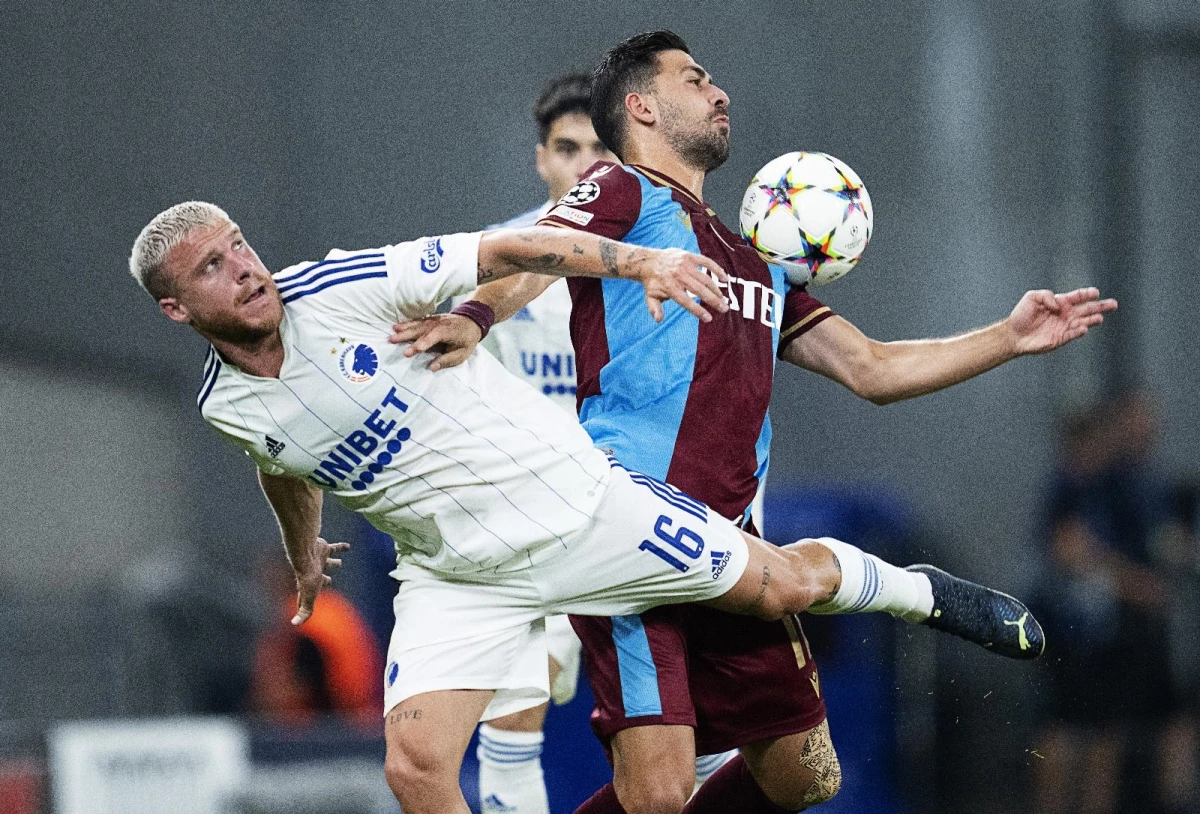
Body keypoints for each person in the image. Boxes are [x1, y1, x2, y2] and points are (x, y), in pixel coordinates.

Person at [392, 31, 1114, 813]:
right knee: (660, 793)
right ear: (641, 107)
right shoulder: (624, 192)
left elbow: (871, 369)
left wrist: (1006, 338)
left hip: (733, 553)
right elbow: (537, 255)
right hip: (627, 536)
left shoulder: (753, 259)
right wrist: (472, 313)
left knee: (807, 777)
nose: (719, 92)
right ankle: (911, 592)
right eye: (695, 79)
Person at [130, 200, 1043, 814]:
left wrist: (639, 257)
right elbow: (282, 460)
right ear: (177, 310)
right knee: (414, 768)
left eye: (239, 245)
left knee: (777, 591)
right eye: (213, 267)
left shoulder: (340, 290)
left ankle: (916, 590)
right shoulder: (221, 401)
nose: (245, 269)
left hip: (575, 507)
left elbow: (510, 249)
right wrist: (304, 548)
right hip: (454, 576)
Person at [467, 73, 618, 814]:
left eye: (600, 148)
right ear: (541, 159)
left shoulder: (657, 258)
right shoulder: (500, 257)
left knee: (672, 743)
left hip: (629, 509)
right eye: (568, 148)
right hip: (529, 522)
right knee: (510, 723)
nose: (584, 165)